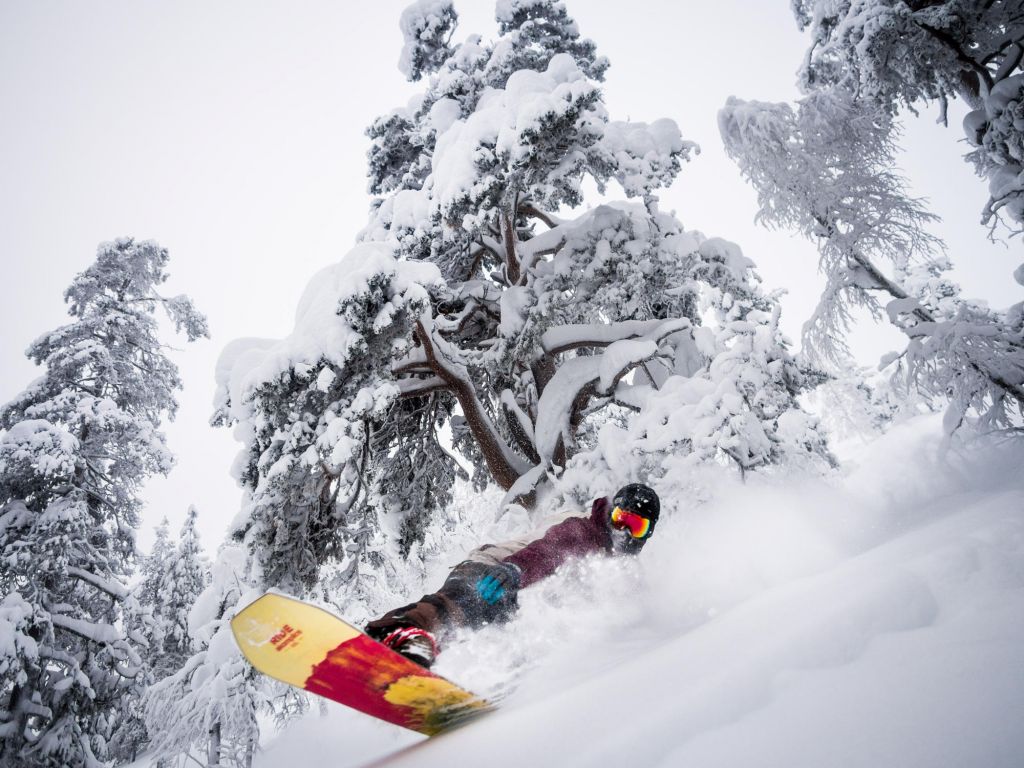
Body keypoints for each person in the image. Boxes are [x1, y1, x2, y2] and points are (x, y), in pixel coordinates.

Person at [365, 483, 661, 668]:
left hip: (519, 594)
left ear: (647, 534)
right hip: (496, 569)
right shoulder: (583, 531)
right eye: (621, 518)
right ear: (610, 512)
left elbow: (636, 616)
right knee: (471, 604)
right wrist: (515, 569)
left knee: (486, 637)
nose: (623, 532)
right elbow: (548, 551)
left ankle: (414, 663)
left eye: (636, 527)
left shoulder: (622, 573)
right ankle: (396, 632)